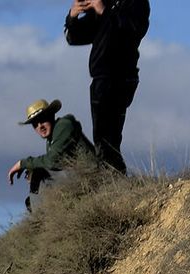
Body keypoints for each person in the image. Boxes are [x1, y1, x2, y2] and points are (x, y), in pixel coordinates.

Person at [64, 0, 149, 174]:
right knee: (103, 137)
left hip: (120, 76)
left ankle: (113, 180)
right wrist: (72, 16)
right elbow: (75, 38)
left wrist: (102, 10)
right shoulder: (107, 4)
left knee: (107, 137)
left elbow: (133, 30)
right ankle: (111, 180)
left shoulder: (136, 3)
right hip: (101, 78)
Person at [7, 99, 95, 210]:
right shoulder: (51, 139)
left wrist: (24, 163)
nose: (40, 126)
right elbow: (56, 164)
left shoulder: (64, 125)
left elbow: (52, 161)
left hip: (90, 177)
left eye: (42, 120)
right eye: (35, 124)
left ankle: (39, 220)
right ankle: (45, 215)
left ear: (51, 116)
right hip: (78, 179)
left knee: (39, 173)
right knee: (30, 201)